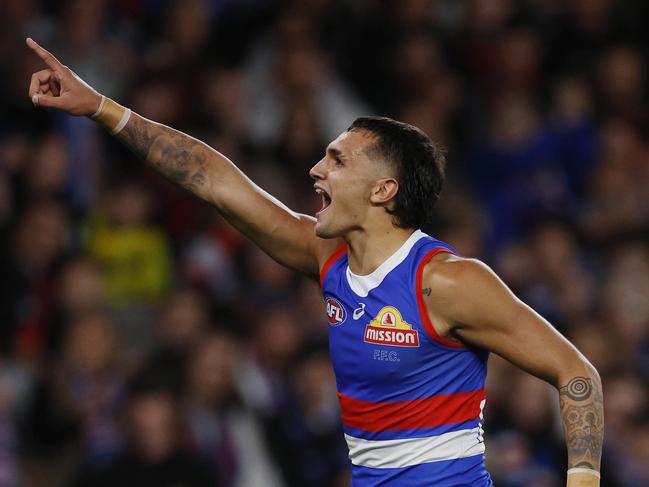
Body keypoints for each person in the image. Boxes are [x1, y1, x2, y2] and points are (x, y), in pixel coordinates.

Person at [26, 38, 603, 486]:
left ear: (383, 190)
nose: (315, 171)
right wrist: (101, 107)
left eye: (337, 161)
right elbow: (213, 181)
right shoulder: (325, 257)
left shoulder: (445, 281)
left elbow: (577, 375)